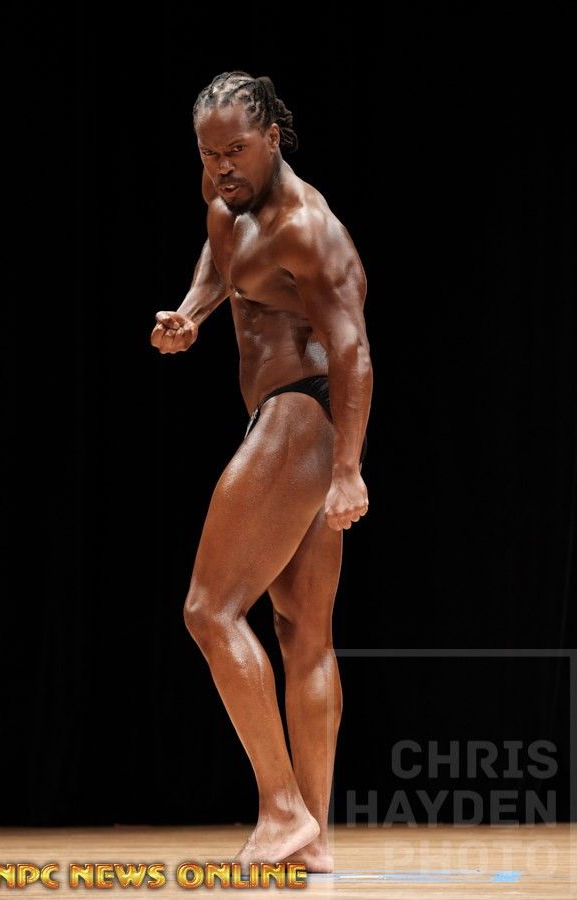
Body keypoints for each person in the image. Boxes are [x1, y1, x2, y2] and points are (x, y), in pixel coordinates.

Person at [150, 71, 372, 873]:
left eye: (236, 152)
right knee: (300, 631)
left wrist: (347, 469)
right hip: (285, 416)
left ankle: (281, 810)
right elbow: (222, 263)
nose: (221, 169)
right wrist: (191, 314)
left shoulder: (309, 229)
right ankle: (313, 838)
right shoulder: (226, 199)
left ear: (273, 137)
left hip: (303, 413)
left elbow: (352, 351)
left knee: (209, 610)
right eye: (209, 155)